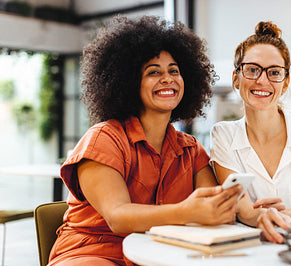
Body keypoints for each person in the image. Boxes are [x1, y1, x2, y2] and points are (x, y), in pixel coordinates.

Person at [48, 16, 242, 266]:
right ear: (128, 82)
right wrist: (189, 212)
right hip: (96, 253)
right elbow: (118, 216)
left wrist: (249, 208)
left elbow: (214, 206)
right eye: (153, 72)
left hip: (163, 253)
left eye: (174, 71)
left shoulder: (191, 149)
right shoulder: (103, 139)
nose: (167, 78)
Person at [209, 21, 291, 244]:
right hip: (255, 255)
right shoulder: (223, 135)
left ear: (286, 81)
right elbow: (244, 210)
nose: (262, 80)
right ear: (236, 78)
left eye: (274, 73)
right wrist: (264, 216)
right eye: (252, 70)